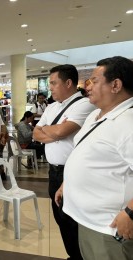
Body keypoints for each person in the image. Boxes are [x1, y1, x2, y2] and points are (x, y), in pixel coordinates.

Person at [56, 56, 133, 259]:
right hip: (87, 220)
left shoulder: (128, 123)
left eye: (94, 81)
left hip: (109, 226)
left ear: (116, 85)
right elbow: (85, 152)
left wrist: (130, 213)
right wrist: (67, 183)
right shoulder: (95, 115)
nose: (87, 86)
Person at [33, 64, 96, 260]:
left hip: (72, 173)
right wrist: (53, 132)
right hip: (53, 173)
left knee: (73, 220)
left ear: (68, 83)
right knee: (60, 217)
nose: (49, 87)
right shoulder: (51, 106)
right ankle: (73, 255)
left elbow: (61, 132)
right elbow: (36, 133)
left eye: (53, 83)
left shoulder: (84, 104)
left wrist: (50, 131)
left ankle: (80, 256)